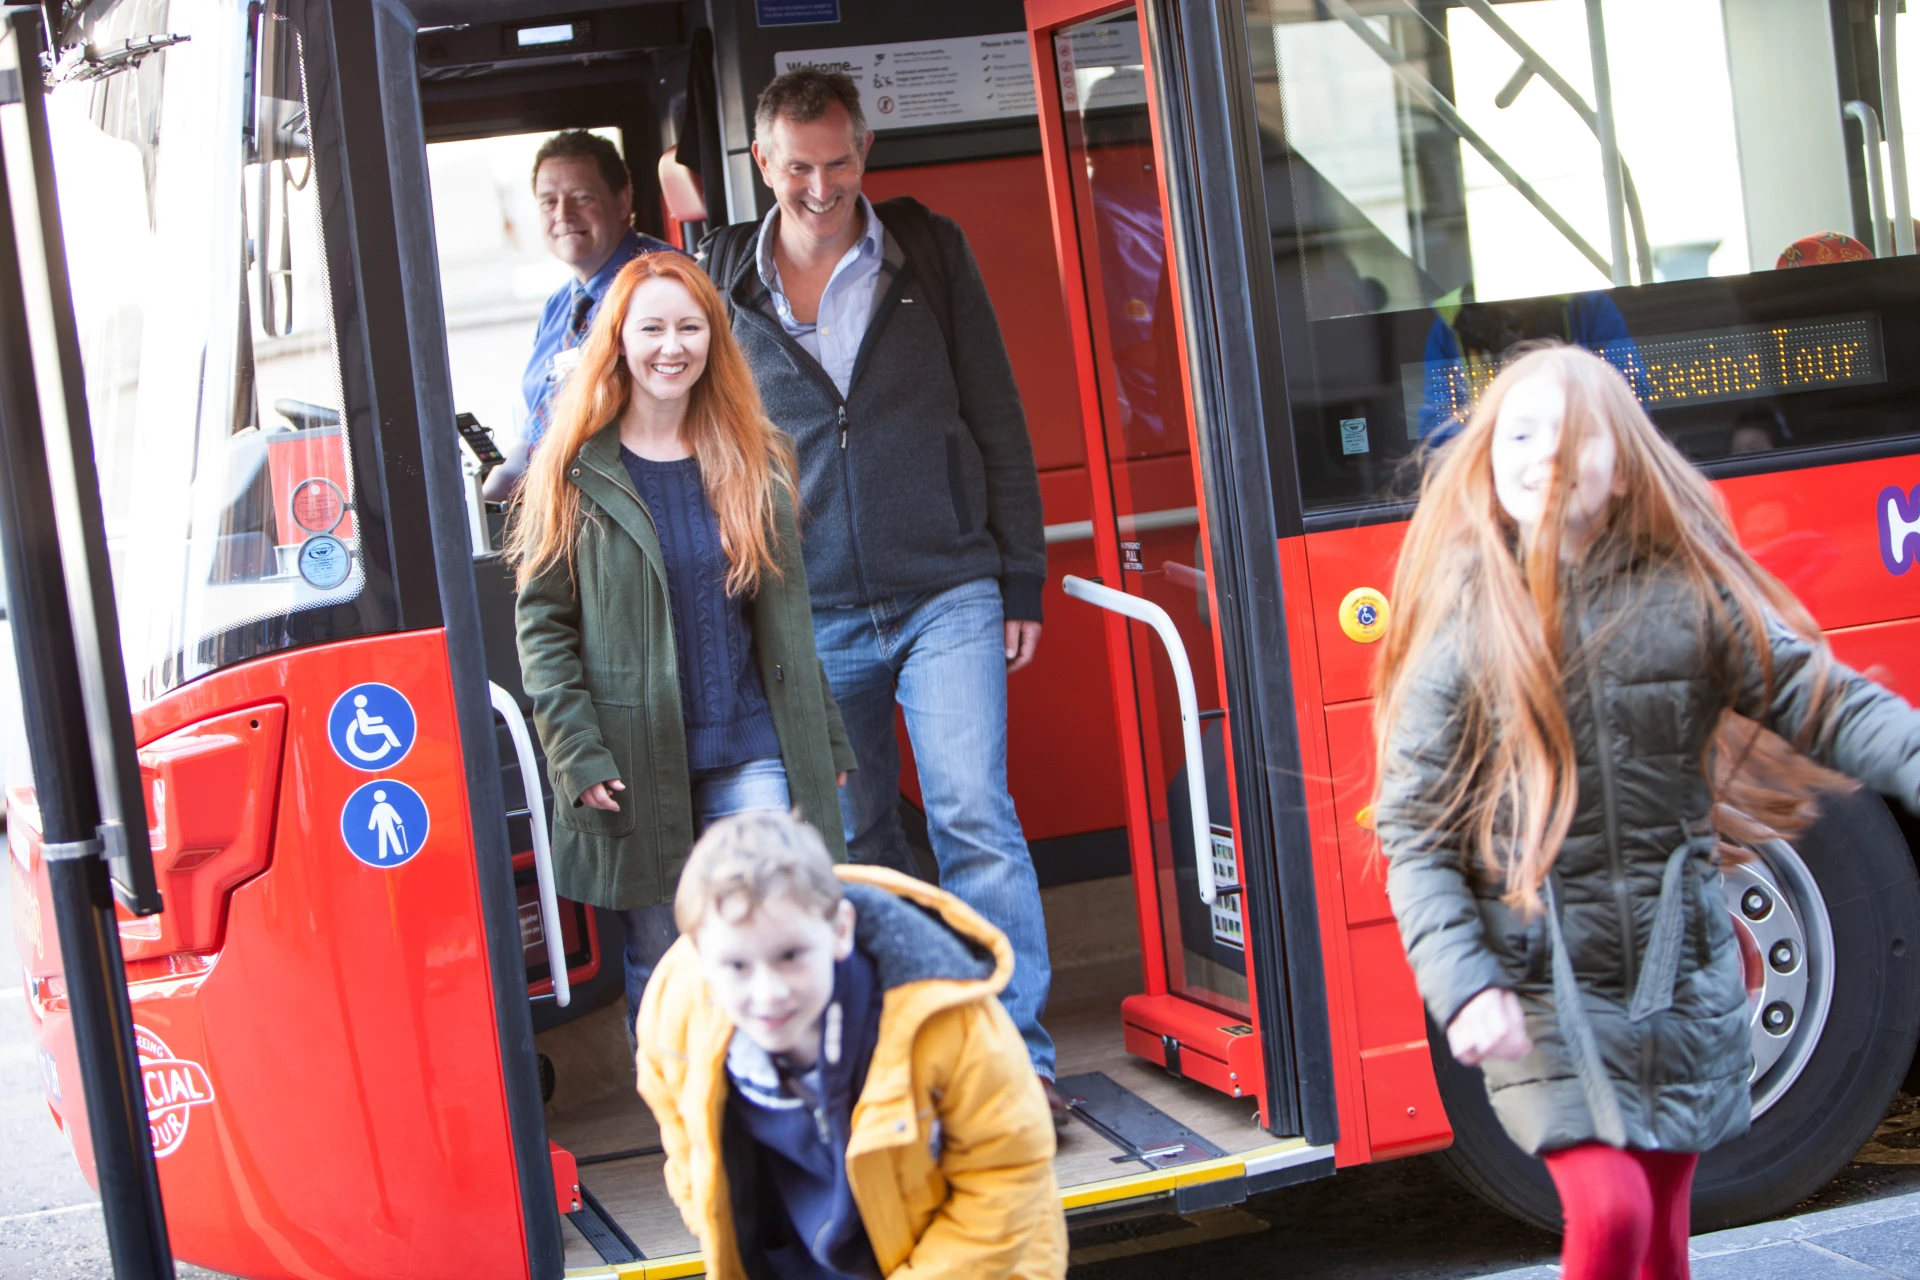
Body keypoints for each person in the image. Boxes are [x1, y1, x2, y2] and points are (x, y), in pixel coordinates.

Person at [1372, 342, 1920, 1280]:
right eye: (1521, 433)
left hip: (1680, 975)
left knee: (1665, 1225)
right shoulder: (1468, 627)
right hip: (1542, 983)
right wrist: (1466, 985)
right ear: (1488, 460)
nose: (1543, 453)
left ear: (1620, 462)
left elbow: (1822, 701)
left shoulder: (1686, 602)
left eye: (1571, 435)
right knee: (1615, 1211)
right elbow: (1415, 836)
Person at [698, 67, 1063, 1113]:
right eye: (798, 166)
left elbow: (996, 412)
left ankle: (1019, 1060)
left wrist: (1020, 574)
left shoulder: (927, 254)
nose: (820, 185)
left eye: (839, 160)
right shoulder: (724, 282)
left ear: (867, 153)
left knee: (971, 813)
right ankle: (899, 1047)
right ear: (764, 162)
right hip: (809, 612)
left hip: (947, 584)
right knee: (858, 844)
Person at [508, 251, 856, 1030]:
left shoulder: (754, 461)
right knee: (669, 963)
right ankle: (691, 1135)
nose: (673, 346)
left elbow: (786, 627)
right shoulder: (570, 471)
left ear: (713, 340)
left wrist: (820, 741)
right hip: (635, 760)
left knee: (767, 937)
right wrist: (576, 751)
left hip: (751, 750)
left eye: (690, 327)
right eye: (653, 327)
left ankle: (775, 1124)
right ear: (619, 340)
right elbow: (543, 628)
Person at [635, 810, 1066, 1280]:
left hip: (969, 1263)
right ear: (701, 957)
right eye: (737, 967)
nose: (768, 992)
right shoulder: (673, 1020)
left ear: (840, 929)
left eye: (791, 956)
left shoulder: (948, 1017)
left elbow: (1005, 1176)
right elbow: (688, 1155)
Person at [487, 131, 682, 499]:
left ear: (623, 200)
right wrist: (487, 501)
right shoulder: (559, 306)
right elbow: (535, 434)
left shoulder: (667, 285)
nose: (563, 215)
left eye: (581, 197)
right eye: (548, 202)